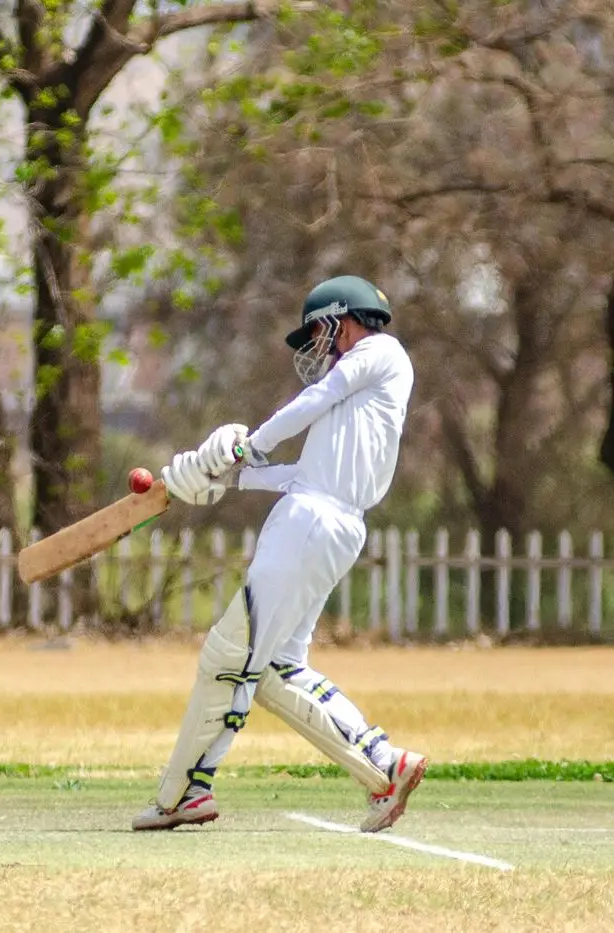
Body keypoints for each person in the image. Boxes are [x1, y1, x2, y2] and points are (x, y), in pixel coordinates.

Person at [132, 275, 427, 834]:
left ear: (342, 320)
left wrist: (249, 445)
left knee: (229, 655)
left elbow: (313, 402)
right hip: (325, 519)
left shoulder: (377, 352)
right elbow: (305, 475)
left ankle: (184, 793)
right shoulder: (360, 404)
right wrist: (232, 479)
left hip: (309, 524)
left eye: (320, 332)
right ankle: (385, 767)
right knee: (275, 669)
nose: (317, 346)